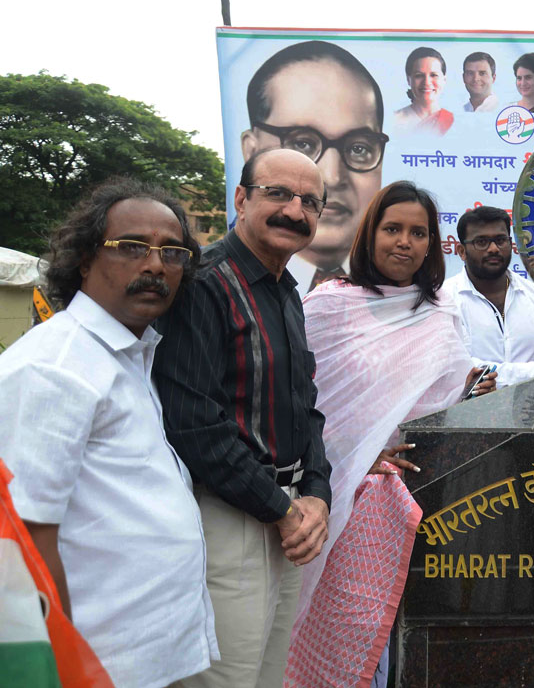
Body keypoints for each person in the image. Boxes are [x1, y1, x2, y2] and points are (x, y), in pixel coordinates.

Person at [0, 178, 218, 686]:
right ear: (84, 259)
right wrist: (63, 669)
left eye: (172, 252)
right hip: (96, 665)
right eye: (132, 247)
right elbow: (24, 539)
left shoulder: (129, 355)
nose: (155, 265)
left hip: (146, 654)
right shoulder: (54, 367)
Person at [286, 181, 494, 686]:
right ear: (370, 234)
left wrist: (469, 395)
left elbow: (441, 401)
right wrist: (362, 452)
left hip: (427, 498)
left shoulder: (441, 310)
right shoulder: (328, 306)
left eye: (418, 233)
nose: (405, 242)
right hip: (340, 493)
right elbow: (300, 403)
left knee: (407, 647)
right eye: (392, 229)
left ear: (432, 244)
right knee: (346, 629)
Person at [154, 148, 333, 688]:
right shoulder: (202, 283)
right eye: (278, 194)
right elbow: (193, 423)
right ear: (241, 198)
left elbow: (305, 405)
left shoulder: (287, 290)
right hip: (229, 518)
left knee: (268, 677)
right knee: (225, 680)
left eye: (309, 202)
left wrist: (317, 494)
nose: (294, 211)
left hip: (289, 517)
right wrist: (282, 509)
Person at [240, 39, 389, 292]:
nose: (331, 177)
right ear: (251, 151)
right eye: (303, 144)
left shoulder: (398, 290)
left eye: (358, 148)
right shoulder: (207, 285)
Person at [446, 205, 534, 391]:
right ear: (462, 251)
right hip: (466, 409)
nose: (493, 249)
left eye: (500, 240)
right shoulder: (444, 300)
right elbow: (459, 369)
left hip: (532, 407)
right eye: (481, 242)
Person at [394, 46, 454, 135]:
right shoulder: (393, 121)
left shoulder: (455, 123)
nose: (427, 82)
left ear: (444, 80)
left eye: (434, 75)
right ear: (408, 79)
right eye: (419, 75)